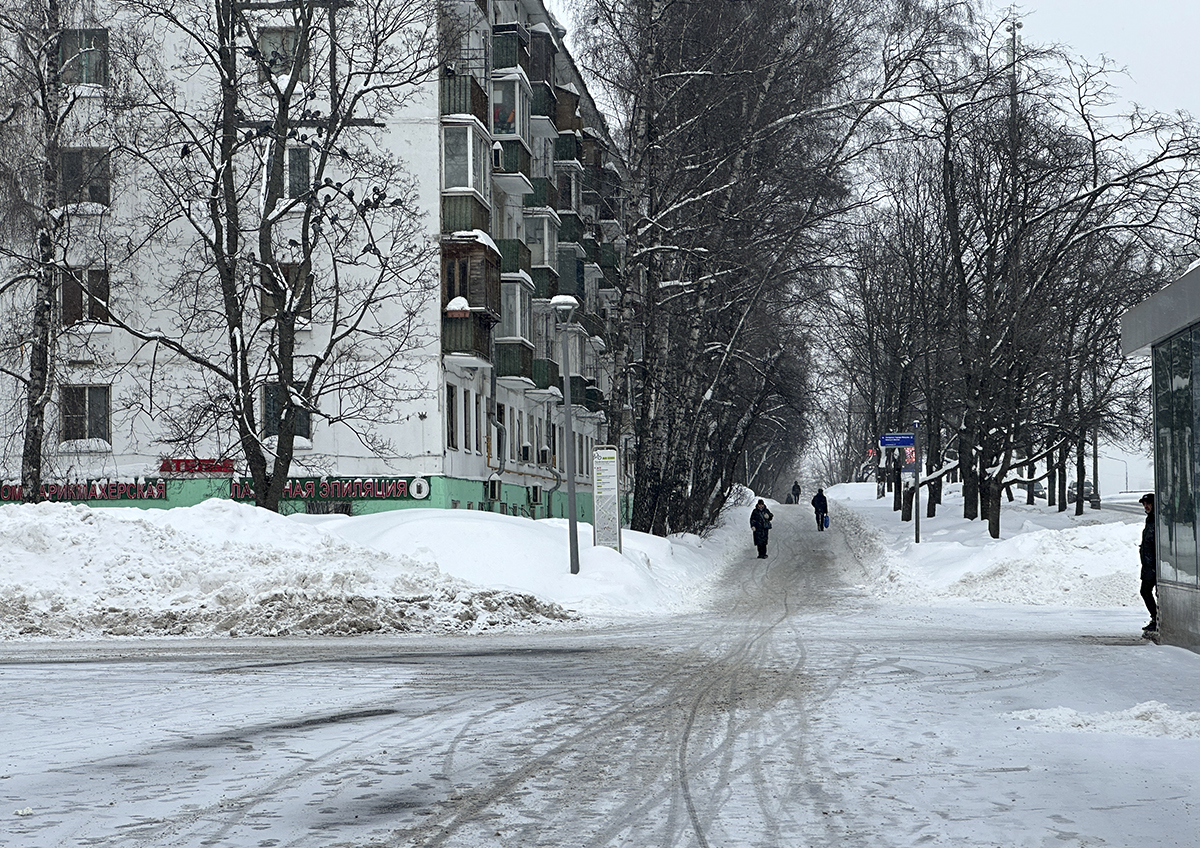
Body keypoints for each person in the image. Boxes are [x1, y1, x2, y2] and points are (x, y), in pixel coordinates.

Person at [1139, 493, 1157, 634]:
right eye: (1144, 504)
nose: (1146, 506)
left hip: (1155, 565)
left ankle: (1156, 618)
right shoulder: (1150, 520)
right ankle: (1156, 618)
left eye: (1148, 503)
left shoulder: (1157, 520)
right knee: (1146, 591)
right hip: (1148, 565)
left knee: (1146, 591)